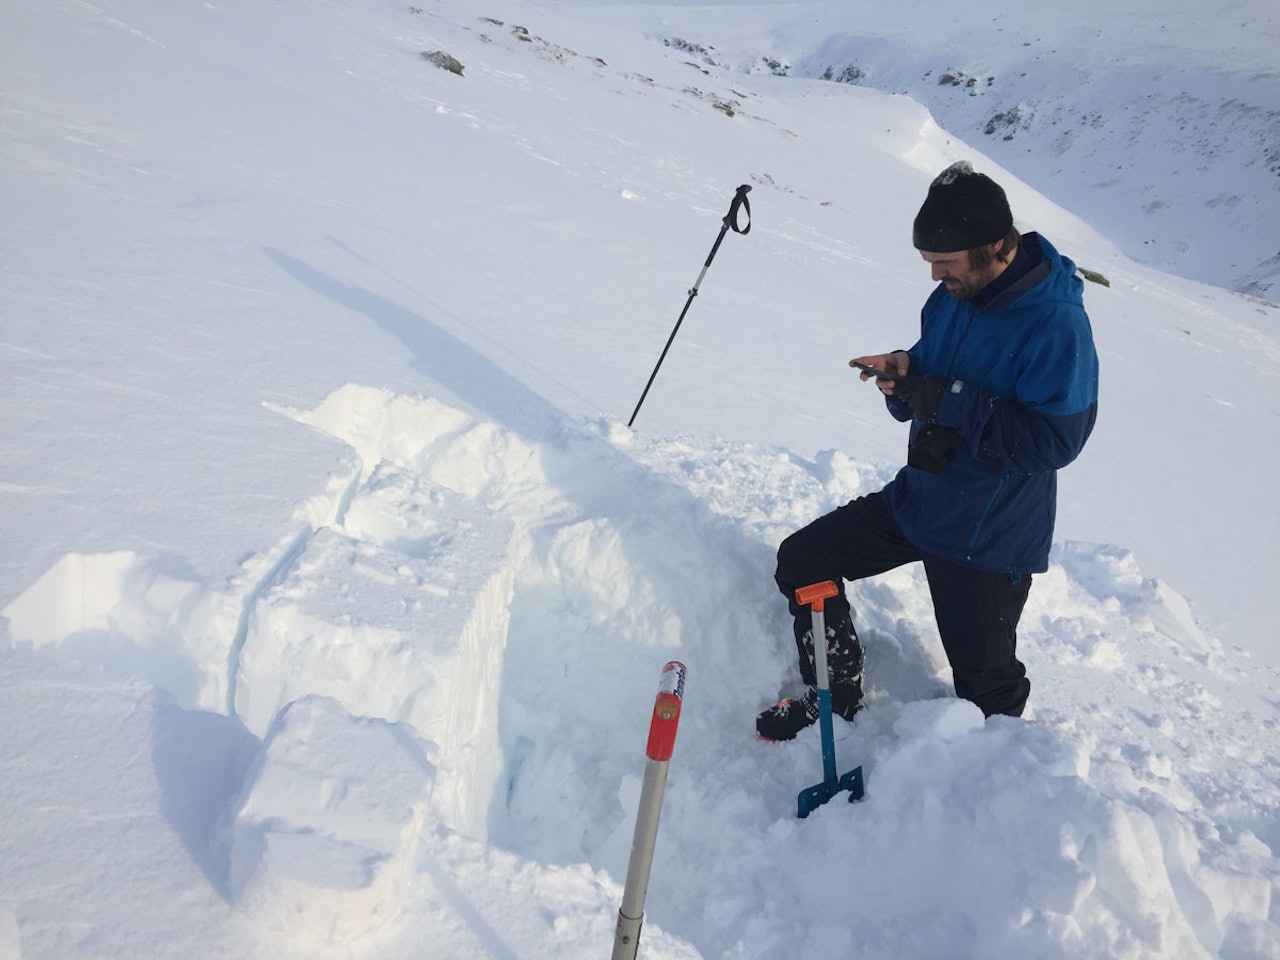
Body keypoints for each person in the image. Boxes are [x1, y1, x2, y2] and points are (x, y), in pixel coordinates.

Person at [756, 161, 1099, 741]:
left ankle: (998, 794)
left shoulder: (1056, 325)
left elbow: (1056, 441)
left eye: (947, 263)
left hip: (988, 540)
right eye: (930, 263)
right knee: (804, 561)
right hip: (921, 500)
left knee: (987, 696)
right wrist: (905, 375)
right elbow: (932, 378)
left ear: (997, 247)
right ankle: (834, 694)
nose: (936, 276)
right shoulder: (951, 297)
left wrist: (945, 397)